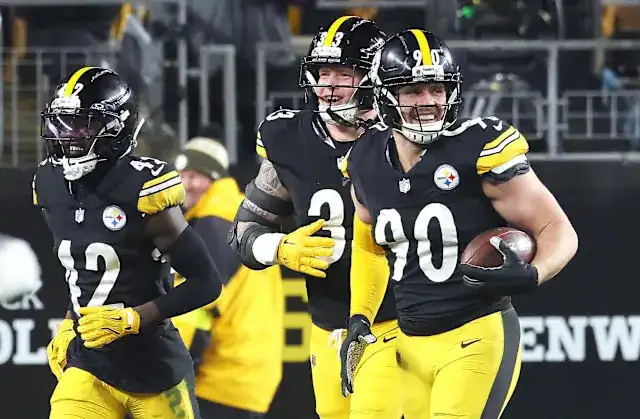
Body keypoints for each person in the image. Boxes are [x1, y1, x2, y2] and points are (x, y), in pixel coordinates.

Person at [339, 29, 578, 419]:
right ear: (385, 97)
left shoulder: (476, 148)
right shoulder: (365, 159)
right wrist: (360, 315)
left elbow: (557, 228)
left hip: (475, 334)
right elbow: (368, 245)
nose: (429, 102)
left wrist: (536, 272)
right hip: (409, 343)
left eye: (437, 89)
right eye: (414, 91)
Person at [229, 16, 402, 419]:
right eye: (323, 73)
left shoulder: (403, 137)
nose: (328, 86)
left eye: (343, 74)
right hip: (328, 321)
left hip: (400, 318)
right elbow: (244, 231)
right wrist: (279, 247)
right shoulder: (290, 138)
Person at [34, 66, 223, 419]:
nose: (69, 135)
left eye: (83, 125)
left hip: (154, 370)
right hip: (90, 363)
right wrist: (69, 321)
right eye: (63, 123)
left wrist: (132, 319)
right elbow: (85, 273)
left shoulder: (143, 188)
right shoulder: (49, 183)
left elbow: (207, 282)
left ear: (115, 130)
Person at [171, 134, 284, 419]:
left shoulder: (215, 223)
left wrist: (167, 373)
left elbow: (194, 306)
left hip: (220, 376)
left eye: (196, 176)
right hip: (246, 374)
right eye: (182, 175)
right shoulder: (236, 212)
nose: (186, 184)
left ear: (215, 178)